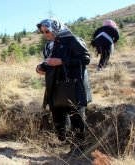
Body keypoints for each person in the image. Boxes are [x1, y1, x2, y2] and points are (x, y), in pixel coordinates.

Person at [35, 18, 91, 157]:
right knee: (58, 118)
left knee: (76, 117)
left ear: (55, 28)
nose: (45, 34)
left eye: (47, 31)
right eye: (43, 32)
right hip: (54, 85)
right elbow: (48, 61)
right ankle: (65, 143)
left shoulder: (73, 40)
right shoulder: (49, 45)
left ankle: (78, 149)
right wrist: (40, 67)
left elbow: (85, 59)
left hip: (73, 84)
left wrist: (61, 61)